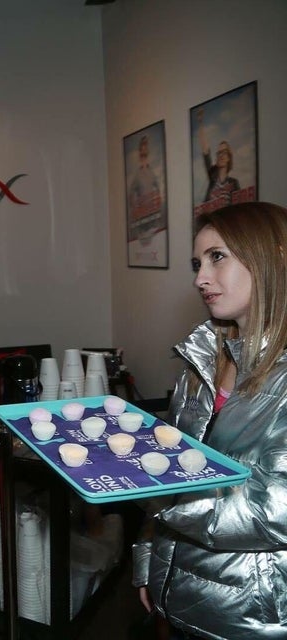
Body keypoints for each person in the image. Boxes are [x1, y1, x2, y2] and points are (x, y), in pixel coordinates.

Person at [132, 201, 287, 639]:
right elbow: (171, 460)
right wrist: (147, 561)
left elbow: (275, 507)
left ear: (270, 258)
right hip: (179, 599)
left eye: (218, 257)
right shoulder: (201, 361)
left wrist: (146, 487)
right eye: (197, 263)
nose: (201, 277)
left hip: (255, 618)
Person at [197, 107, 240, 206]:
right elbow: (205, 150)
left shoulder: (234, 183)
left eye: (224, 152)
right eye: (219, 153)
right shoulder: (212, 177)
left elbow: (239, 209)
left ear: (229, 157)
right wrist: (200, 123)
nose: (221, 155)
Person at [128, 134, 164, 245]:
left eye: (146, 146)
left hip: (152, 215)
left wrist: (157, 204)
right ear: (140, 151)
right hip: (142, 218)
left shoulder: (151, 172)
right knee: (144, 242)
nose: (144, 149)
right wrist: (136, 208)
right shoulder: (137, 174)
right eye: (142, 147)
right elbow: (131, 194)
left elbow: (158, 190)